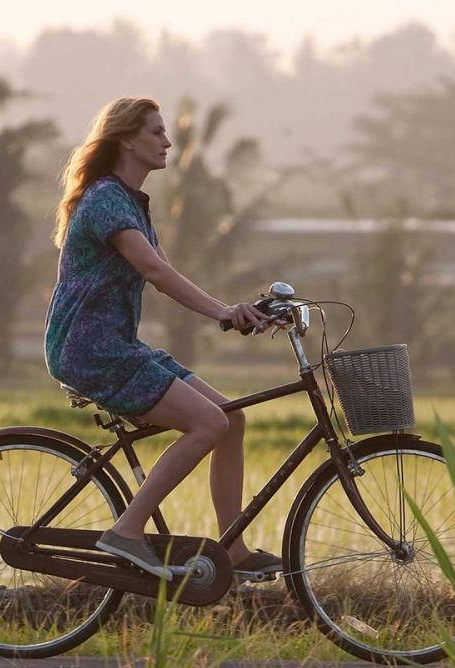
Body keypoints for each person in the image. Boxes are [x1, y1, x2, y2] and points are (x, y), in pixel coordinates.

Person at [45, 96, 279, 581]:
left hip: (117, 345)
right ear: (126, 138)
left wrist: (241, 311)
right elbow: (151, 269)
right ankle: (127, 531)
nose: (168, 141)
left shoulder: (131, 202)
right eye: (156, 132)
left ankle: (231, 549)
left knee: (231, 419)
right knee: (208, 424)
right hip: (91, 350)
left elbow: (166, 269)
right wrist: (220, 311)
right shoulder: (106, 198)